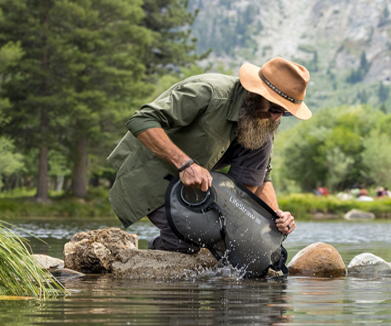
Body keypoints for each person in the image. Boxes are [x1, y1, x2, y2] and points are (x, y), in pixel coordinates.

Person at [107, 57, 312, 253]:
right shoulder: (208, 92)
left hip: (194, 188)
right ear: (257, 92)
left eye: (284, 112)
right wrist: (185, 165)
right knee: (192, 238)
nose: (276, 117)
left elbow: (261, 175)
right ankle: (147, 256)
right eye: (275, 108)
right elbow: (141, 120)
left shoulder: (265, 121)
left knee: (246, 241)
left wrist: (275, 217)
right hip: (150, 171)